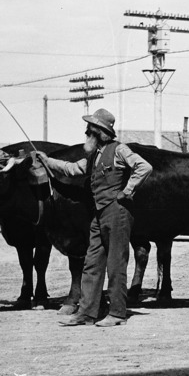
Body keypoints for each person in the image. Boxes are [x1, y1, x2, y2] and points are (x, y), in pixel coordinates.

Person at [36, 109, 152, 327]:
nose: (86, 133)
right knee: (92, 262)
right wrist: (47, 161)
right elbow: (71, 169)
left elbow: (144, 167)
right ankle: (87, 313)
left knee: (115, 264)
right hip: (99, 214)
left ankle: (117, 314)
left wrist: (127, 191)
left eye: (89, 130)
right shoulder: (94, 157)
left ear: (99, 132)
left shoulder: (119, 150)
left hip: (117, 213)